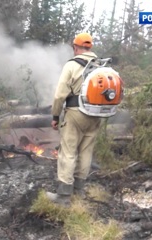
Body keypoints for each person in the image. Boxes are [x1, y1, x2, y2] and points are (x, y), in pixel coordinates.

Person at [47, 33, 102, 207]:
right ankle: (79, 191)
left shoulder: (72, 65)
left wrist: (55, 115)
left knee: (68, 152)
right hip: (96, 114)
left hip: (75, 113)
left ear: (75, 47)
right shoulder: (100, 65)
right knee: (86, 151)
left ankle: (63, 197)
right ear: (90, 47)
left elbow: (59, 95)